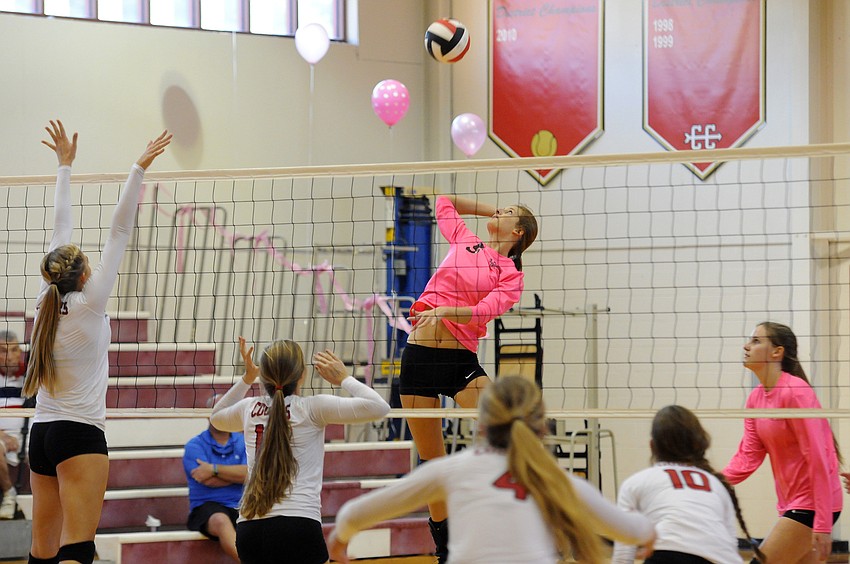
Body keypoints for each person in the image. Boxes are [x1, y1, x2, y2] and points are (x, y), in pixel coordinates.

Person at [23, 120, 171, 564]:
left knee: (41, 549)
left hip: (42, 434)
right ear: (85, 273)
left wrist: (65, 167)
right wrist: (138, 167)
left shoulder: (44, 300)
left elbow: (59, 230)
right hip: (80, 434)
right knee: (77, 548)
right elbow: (119, 231)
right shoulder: (91, 302)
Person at [328, 376, 656, 564]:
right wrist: (649, 536)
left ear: (480, 424)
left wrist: (341, 540)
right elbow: (634, 531)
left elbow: (354, 514)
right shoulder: (556, 480)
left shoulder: (453, 470)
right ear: (541, 426)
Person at [400, 194, 538, 562]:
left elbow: (482, 311)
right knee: (432, 462)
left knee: (510, 430)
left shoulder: (511, 276)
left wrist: (446, 310)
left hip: (460, 361)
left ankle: (516, 528)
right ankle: (446, 548)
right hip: (418, 358)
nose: (501, 212)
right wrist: (489, 209)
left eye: (509, 213)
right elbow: (444, 201)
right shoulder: (465, 239)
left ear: (519, 232)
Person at [210, 337, 390, 564]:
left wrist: (247, 378)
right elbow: (380, 407)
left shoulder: (249, 409)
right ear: (302, 375)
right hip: (299, 524)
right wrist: (344, 378)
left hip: (250, 528)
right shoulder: (313, 408)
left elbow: (216, 417)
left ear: (263, 377)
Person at [723, 322, 842, 564]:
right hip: (792, 503)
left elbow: (818, 456)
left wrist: (822, 523)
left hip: (814, 504)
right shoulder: (755, 398)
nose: (746, 346)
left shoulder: (796, 392)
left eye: (756, 341)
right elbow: (748, 456)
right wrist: (710, 480)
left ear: (777, 352)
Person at [612, 405, 764, 564]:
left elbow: (623, 552)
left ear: (652, 446)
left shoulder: (636, 482)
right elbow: (730, 545)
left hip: (665, 556)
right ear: (699, 444)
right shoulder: (717, 485)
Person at [183, 396, 247, 562]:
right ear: (208, 414)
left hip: (241, 505)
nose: (221, 417)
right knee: (220, 520)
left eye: (225, 412)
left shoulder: (243, 441)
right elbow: (204, 479)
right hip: (206, 506)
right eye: (217, 412)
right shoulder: (194, 445)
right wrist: (237, 476)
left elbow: (250, 474)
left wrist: (214, 469)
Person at [0, 330, 26, 519]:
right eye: (3, 351)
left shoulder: (30, 375)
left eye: (14, 350)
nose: (9, 356)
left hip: (30, 434)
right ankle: (9, 494)